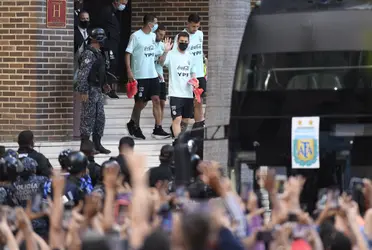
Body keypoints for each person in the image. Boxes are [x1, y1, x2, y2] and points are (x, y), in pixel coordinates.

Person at [125, 14, 170, 140]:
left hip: (153, 74)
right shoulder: (136, 36)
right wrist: (129, 71)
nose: (156, 25)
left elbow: (157, 55)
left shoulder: (153, 37)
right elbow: (127, 54)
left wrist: (165, 51)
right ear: (150, 24)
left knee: (156, 99)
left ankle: (158, 128)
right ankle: (134, 124)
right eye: (155, 23)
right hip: (140, 75)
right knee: (140, 102)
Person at [77, 28, 111, 154]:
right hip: (90, 90)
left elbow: (101, 70)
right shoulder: (89, 53)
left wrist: (105, 84)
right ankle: (85, 145)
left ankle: (97, 144)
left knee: (99, 118)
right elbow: (83, 74)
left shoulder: (98, 53)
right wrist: (83, 90)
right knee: (88, 117)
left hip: (98, 89)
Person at [160, 32, 196, 140]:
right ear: (177, 41)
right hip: (175, 93)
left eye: (185, 42)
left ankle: (179, 135)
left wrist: (195, 82)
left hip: (188, 93)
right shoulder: (171, 54)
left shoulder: (190, 56)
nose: (183, 43)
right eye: (181, 41)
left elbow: (193, 73)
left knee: (185, 120)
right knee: (177, 119)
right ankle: (179, 142)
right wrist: (165, 52)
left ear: (188, 42)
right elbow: (161, 62)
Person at [173, 14, 206, 130]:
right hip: (187, 75)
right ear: (188, 23)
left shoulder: (200, 34)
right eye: (193, 26)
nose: (195, 29)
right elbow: (175, 56)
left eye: (197, 26)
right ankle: (179, 128)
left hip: (199, 73)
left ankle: (198, 124)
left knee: (199, 100)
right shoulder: (181, 37)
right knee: (186, 102)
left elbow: (200, 52)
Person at [94, 0, 128, 99]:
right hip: (108, 44)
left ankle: (110, 88)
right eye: (123, 3)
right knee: (110, 64)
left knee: (113, 65)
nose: (124, 5)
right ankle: (107, 88)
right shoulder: (107, 11)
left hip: (114, 43)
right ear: (116, 1)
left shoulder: (116, 13)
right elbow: (101, 25)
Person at [154, 24, 168, 127]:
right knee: (156, 101)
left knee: (162, 102)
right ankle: (157, 125)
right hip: (150, 76)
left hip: (161, 77)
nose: (161, 37)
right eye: (160, 34)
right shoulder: (150, 44)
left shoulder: (163, 45)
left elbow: (161, 63)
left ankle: (159, 125)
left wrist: (166, 52)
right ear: (155, 32)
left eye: (163, 35)